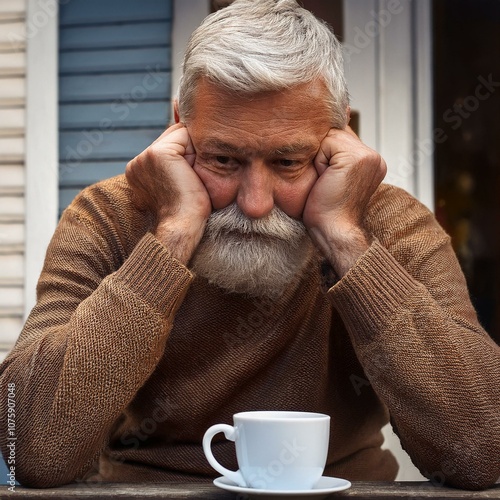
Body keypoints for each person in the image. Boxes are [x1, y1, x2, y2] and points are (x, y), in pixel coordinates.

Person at [1, 0, 499, 491]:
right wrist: (171, 234)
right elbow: (30, 446)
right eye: (222, 159)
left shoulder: (389, 223)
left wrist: (346, 239)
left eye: (287, 162)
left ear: (340, 137)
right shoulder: (108, 215)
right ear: (178, 127)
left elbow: (481, 449)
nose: (256, 203)